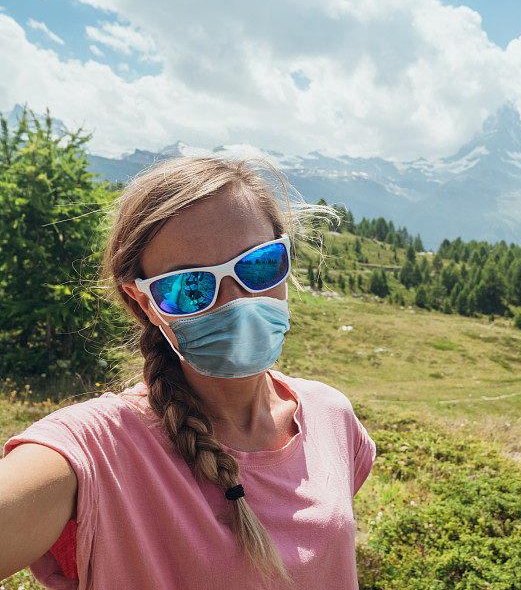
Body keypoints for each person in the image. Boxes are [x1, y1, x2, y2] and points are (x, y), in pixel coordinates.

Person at [0, 156, 377, 589]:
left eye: (259, 265)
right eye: (189, 286)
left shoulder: (332, 416)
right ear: (145, 303)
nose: (236, 300)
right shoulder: (97, 450)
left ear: (285, 256)